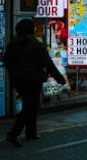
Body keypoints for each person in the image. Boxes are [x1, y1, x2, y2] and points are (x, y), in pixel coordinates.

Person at [5, 18, 66, 147]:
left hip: (17, 80)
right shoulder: (35, 44)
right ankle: (14, 134)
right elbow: (48, 63)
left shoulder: (12, 44)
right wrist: (60, 78)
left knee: (30, 104)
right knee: (30, 106)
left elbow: (6, 62)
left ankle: (31, 133)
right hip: (33, 80)